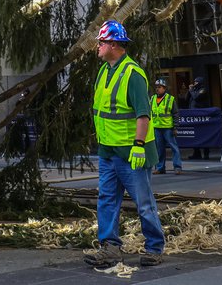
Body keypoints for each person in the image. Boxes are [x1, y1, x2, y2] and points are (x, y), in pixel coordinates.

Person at [83, 21, 165, 269]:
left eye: (101, 42)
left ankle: (154, 248)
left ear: (114, 45)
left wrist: (139, 145)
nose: (97, 46)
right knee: (107, 200)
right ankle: (110, 247)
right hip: (108, 151)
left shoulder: (133, 74)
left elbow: (143, 115)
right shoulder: (105, 70)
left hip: (132, 153)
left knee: (143, 202)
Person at [151, 79, 182, 175]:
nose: (157, 89)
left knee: (174, 147)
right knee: (159, 149)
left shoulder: (170, 99)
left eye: (159, 87)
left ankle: (177, 167)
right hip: (157, 127)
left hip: (168, 128)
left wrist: (175, 127)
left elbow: (175, 114)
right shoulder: (152, 99)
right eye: (156, 87)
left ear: (164, 88)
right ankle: (160, 168)